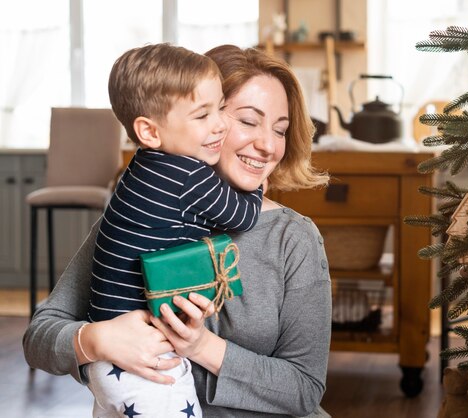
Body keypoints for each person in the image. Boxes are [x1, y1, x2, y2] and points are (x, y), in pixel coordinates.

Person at [23, 44, 332, 418]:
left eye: (280, 130)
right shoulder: (135, 216)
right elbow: (38, 338)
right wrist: (95, 339)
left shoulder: (293, 238)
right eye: (248, 121)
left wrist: (201, 346)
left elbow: (304, 391)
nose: (267, 145)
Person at [83, 43, 266, 417]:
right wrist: (260, 181)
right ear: (149, 131)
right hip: (149, 353)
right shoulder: (189, 174)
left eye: (220, 109)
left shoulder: (140, 167)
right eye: (203, 115)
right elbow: (242, 216)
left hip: (108, 354)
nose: (220, 124)